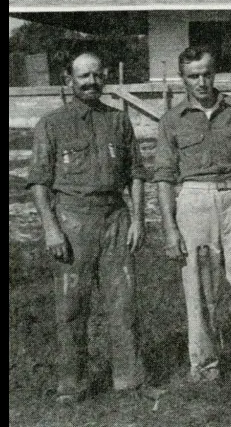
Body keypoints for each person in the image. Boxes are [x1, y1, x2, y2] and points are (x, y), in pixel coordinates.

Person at [27, 51, 158, 404]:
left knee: (123, 303)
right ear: (68, 79)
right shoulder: (51, 124)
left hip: (115, 218)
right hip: (72, 221)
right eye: (83, 76)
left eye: (97, 75)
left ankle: (128, 380)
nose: (91, 82)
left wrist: (139, 220)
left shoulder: (119, 121)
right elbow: (39, 182)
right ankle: (72, 383)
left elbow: (135, 173)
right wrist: (51, 229)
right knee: (71, 307)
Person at [154, 46, 231, 386]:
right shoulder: (172, 119)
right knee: (197, 288)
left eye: (206, 74)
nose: (201, 82)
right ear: (182, 78)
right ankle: (204, 368)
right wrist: (170, 229)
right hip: (193, 200)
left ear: (215, 73)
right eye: (193, 76)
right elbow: (163, 177)